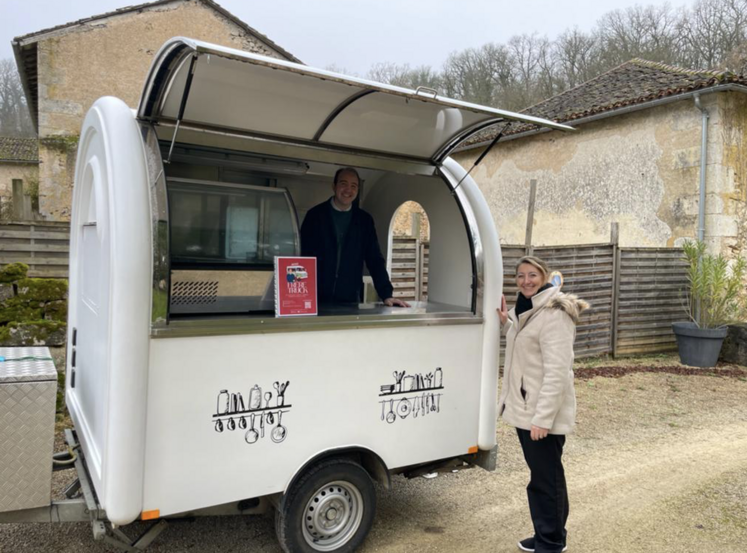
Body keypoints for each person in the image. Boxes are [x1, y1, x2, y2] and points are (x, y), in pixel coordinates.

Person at [496, 256, 588, 553]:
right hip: (526, 409)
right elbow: (524, 344)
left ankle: (551, 542)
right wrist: (505, 323)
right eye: (520, 276)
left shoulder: (554, 313)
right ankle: (548, 533)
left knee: (546, 480)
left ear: (544, 276)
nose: (526, 281)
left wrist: (543, 419)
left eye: (532, 275)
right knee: (545, 476)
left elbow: (557, 372)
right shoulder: (527, 311)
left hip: (539, 414)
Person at [300, 167, 409, 306]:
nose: (348, 190)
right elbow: (302, 256)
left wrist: (386, 294)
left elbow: (374, 259)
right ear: (334, 186)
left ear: (357, 190)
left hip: (349, 298)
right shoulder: (315, 216)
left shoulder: (364, 221)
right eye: (343, 184)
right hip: (315, 296)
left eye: (353, 186)